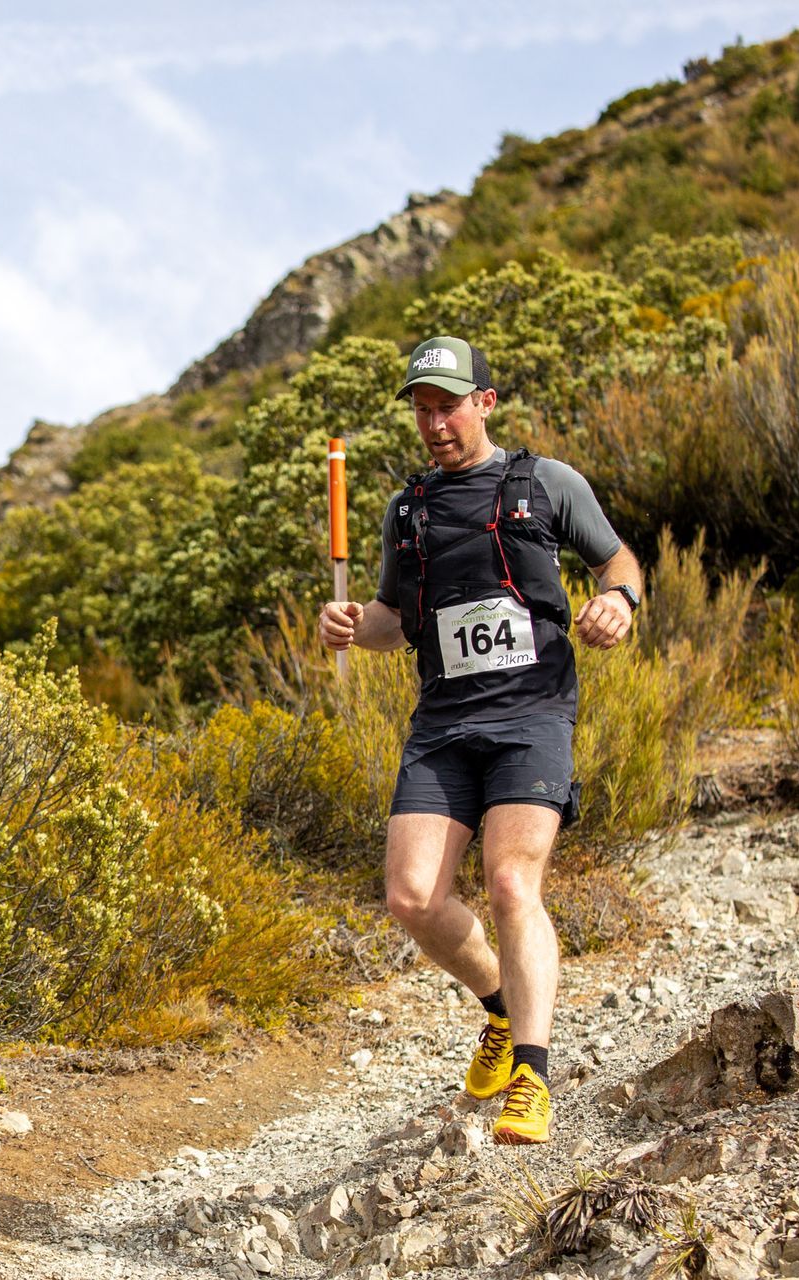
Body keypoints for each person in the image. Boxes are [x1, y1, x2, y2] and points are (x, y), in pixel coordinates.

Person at [317, 335, 643, 1145]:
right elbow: (397, 622)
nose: (433, 425)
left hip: (532, 713)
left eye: (448, 407)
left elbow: (618, 560)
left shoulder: (544, 483)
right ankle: (500, 1009)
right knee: (410, 896)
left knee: (508, 882)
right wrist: (356, 625)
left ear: (485, 403)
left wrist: (622, 603)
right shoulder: (409, 511)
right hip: (443, 722)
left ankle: (531, 1074)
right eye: (422, 411)